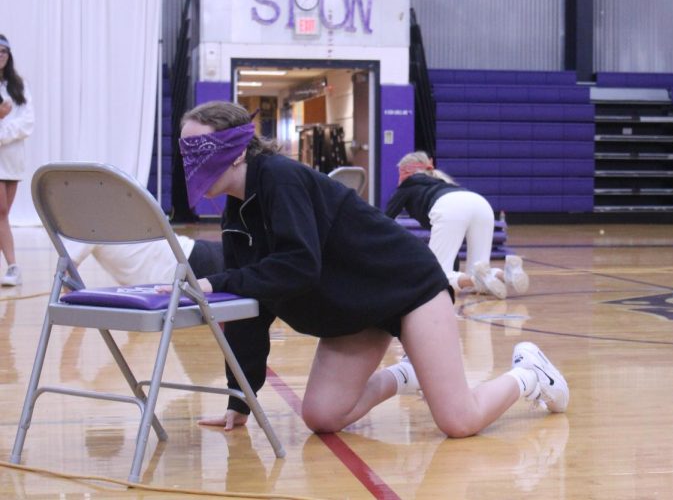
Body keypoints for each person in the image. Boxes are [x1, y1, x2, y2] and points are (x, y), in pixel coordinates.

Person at [177, 101, 569, 436]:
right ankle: (406, 374)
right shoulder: (236, 212)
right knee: (321, 416)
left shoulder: (281, 178)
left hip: (408, 288)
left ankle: (530, 375)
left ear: (239, 149)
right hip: (356, 310)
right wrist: (241, 400)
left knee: (458, 421)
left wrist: (217, 281)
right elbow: (252, 305)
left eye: (200, 148)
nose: (191, 161)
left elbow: (298, 266)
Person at [384, 151, 529, 300]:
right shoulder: (442, 182)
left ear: (405, 171)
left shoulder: (407, 185)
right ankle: (508, 274)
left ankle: (476, 280)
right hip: (480, 203)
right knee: (478, 266)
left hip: (450, 207)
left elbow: (385, 219)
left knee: (436, 274)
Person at [0, 34, 35, 286]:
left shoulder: (18, 85)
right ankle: (13, 265)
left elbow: (26, 122)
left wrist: (2, 133)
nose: (0, 55)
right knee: (0, 213)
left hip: (13, 160)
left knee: (4, 214)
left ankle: (12, 267)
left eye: (4, 51)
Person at [65, 236, 225, 285]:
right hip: (188, 262)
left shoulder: (86, 222)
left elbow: (67, 271)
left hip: (190, 264)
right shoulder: (105, 210)